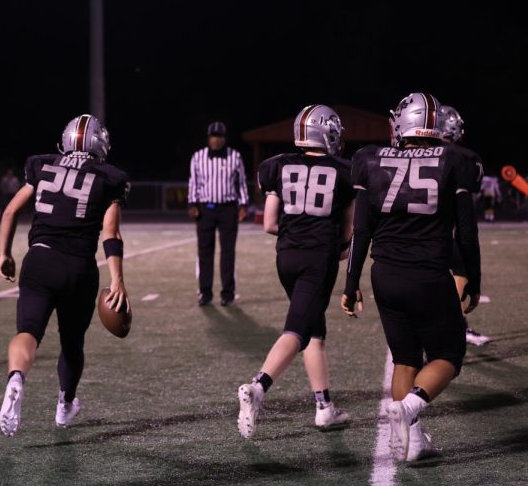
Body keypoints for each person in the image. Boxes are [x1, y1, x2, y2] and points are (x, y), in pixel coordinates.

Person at [342, 93, 481, 462]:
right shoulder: (453, 159)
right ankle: (409, 408)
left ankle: (410, 442)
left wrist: (350, 281)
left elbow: (361, 230)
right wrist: (474, 279)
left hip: (384, 273)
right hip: (428, 275)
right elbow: (466, 233)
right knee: (448, 355)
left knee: (405, 359)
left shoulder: (370, 159)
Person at [0, 114, 131, 436]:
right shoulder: (109, 177)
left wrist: (5, 253)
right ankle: (64, 406)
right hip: (79, 269)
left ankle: (16, 378)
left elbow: (11, 210)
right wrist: (118, 280)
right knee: (72, 343)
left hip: (39, 260)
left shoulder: (41, 165)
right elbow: (110, 233)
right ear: (101, 145)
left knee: (28, 331)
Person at [238, 105, 354, 438]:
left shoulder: (277, 165)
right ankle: (257, 388)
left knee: (313, 332)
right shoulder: (344, 171)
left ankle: (324, 407)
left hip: (286, 256)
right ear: (327, 133)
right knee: (298, 331)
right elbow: (347, 234)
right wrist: (338, 246)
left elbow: (270, 224)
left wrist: (298, 231)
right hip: (318, 258)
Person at [437, 105, 490, 346]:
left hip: (413, 231)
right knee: (461, 269)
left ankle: (450, 328)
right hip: (447, 229)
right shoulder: (465, 157)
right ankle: (455, 326)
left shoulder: (412, 152)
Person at [188, 121, 249, 306]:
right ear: (209, 138)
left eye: (219, 136)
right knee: (205, 252)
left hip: (228, 209)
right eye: (213, 136)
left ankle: (227, 294)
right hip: (205, 209)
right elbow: (194, 182)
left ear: (224, 138)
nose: (216, 140)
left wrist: (243, 205)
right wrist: (192, 203)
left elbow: (242, 182)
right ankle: (205, 293)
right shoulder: (198, 157)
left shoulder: (235, 156)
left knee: (228, 253)